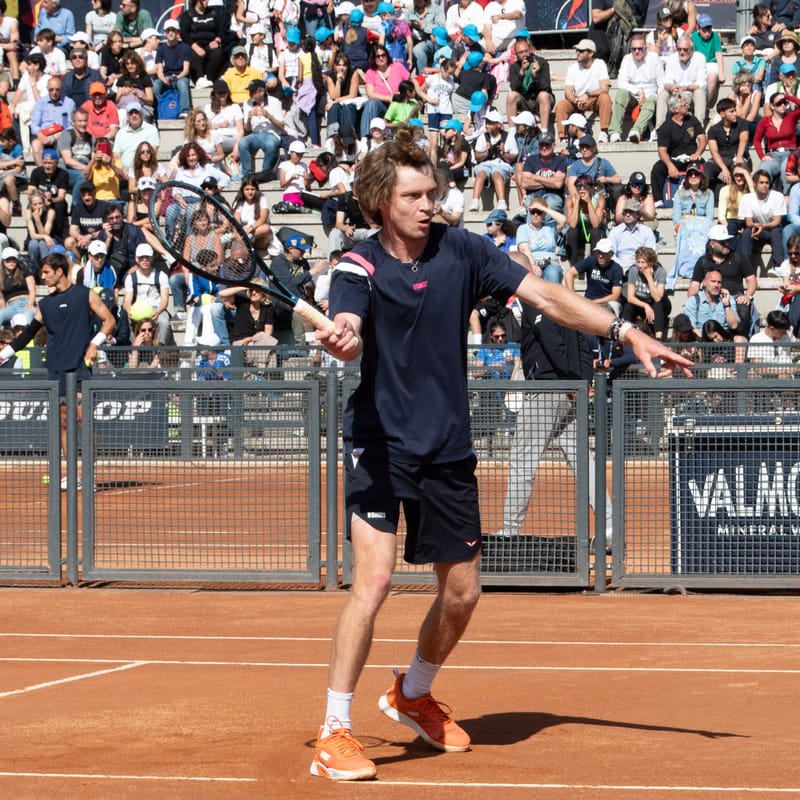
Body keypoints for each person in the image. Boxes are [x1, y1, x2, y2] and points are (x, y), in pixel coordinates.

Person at [309, 129, 690, 783]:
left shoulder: (464, 251)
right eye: (414, 195)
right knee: (371, 583)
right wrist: (343, 337)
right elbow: (350, 323)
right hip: (378, 444)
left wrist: (628, 331)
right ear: (381, 202)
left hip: (446, 448)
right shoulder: (357, 267)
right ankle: (335, 729)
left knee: (462, 594)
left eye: (432, 191)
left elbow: (546, 297)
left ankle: (412, 694)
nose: (429, 204)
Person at [495, 257, 613, 547]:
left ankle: (510, 530)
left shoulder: (536, 299)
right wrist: (581, 382)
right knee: (581, 459)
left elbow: (553, 342)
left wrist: (572, 380)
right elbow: (584, 345)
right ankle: (610, 526)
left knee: (523, 459)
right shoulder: (563, 299)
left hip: (549, 389)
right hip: (567, 390)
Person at [0, 252, 115, 490]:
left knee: (85, 420)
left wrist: (95, 344)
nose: (42, 277)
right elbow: (27, 335)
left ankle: (89, 474)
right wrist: (2, 355)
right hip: (56, 368)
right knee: (63, 422)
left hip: (80, 368)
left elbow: (109, 320)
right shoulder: (45, 304)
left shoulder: (85, 294)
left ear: (59, 271)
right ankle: (72, 473)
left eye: (46, 272)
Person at [687, 225, 756, 338]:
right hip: (710, 298)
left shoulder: (738, 258)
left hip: (735, 298)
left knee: (743, 309)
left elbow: (751, 279)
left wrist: (747, 296)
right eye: (722, 242)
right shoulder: (703, 261)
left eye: (727, 241)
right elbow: (694, 285)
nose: (726, 244)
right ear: (712, 244)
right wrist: (692, 301)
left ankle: (740, 339)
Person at [651, 92, 707, 206]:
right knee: (658, 169)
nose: (687, 105)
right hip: (675, 159)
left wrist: (697, 153)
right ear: (675, 109)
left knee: (705, 167)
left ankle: (704, 197)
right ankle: (658, 200)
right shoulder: (665, 127)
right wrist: (670, 166)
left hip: (692, 158)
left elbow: (702, 138)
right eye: (684, 104)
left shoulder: (692, 120)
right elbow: (662, 151)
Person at [554, 38, 612, 143]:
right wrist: (575, 100)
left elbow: (605, 88)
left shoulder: (600, 64)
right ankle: (563, 138)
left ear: (590, 53)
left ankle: (604, 132)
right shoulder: (572, 68)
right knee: (561, 105)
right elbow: (568, 91)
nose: (577, 53)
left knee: (605, 98)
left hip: (593, 99)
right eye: (577, 50)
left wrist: (588, 95)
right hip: (577, 101)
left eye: (581, 51)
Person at [609, 34, 659, 144]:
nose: (636, 52)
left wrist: (653, 97)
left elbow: (661, 82)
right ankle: (614, 132)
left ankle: (636, 131)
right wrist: (637, 92)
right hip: (633, 96)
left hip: (651, 96)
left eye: (640, 49)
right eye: (633, 49)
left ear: (646, 48)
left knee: (651, 101)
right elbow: (621, 82)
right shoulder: (627, 59)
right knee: (621, 94)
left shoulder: (654, 58)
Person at [219, 280, 277, 370]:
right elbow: (222, 293)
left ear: (263, 293)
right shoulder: (243, 302)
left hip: (257, 343)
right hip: (240, 344)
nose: (253, 292)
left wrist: (251, 339)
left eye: (257, 290)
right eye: (251, 290)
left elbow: (268, 333)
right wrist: (245, 286)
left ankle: (265, 378)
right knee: (267, 351)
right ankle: (263, 374)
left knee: (270, 350)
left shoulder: (268, 307)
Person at [234, 78, 286, 179]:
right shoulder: (247, 103)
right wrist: (249, 119)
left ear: (262, 92)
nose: (250, 94)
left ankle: (265, 173)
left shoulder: (274, 102)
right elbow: (247, 129)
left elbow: (281, 126)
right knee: (243, 143)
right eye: (249, 91)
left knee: (270, 144)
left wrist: (268, 116)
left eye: (253, 91)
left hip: (272, 134)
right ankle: (247, 174)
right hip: (255, 134)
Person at [122, 242, 172, 345]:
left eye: (147, 257)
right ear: (136, 259)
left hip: (156, 308)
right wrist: (128, 309)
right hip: (138, 309)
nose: (144, 260)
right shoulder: (131, 278)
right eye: (141, 257)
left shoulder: (161, 275)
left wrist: (158, 311)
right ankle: (134, 347)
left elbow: (164, 300)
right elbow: (127, 300)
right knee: (126, 319)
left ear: (152, 258)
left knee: (164, 322)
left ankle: (159, 351)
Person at [655, 36, 708, 128]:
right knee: (663, 93)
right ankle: (660, 128)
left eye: (685, 49)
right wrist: (672, 87)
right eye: (679, 49)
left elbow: (701, 84)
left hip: (691, 94)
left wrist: (685, 88)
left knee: (699, 92)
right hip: (676, 94)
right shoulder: (671, 59)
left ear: (691, 49)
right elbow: (666, 82)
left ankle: (698, 127)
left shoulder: (700, 58)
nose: (682, 52)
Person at [565, 237, 624, 316]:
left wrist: (594, 303)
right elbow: (569, 273)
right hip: (588, 300)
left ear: (611, 254)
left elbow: (615, 296)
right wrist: (572, 295)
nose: (600, 256)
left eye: (604, 253)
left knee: (611, 309)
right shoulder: (591, 260)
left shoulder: (617, 269)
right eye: (599, 252)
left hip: (608, 302)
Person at [469, 109, 513, 212]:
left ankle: (502, 201)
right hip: (485, 164)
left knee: (497, 173)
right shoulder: (483, 137)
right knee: (481, 173)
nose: (487, 125)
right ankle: (475, 201)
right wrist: (486, 152)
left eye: (490, 123)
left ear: (498, 124)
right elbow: (477, 156)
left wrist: (503, 153)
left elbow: (513, 155)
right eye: (487, 122)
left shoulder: (508, 137)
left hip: (501, 164)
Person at [622, 246, 670, 339]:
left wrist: (649, 278)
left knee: (657, 305)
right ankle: (624, 335)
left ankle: (659, 339)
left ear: (651, 263)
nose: (639, 265)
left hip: (659, 303)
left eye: (643, 262)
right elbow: (630, 297)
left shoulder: (660, 272)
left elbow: (658, 298)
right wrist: (645, 306)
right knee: (628, 306)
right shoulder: (633, 271)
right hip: (642, 303)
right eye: (638, 262)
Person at [514, 198, 566, 283]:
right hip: (530, 262)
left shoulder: (550, 227)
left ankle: (552, 295)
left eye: (539, 212)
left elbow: (563, 220)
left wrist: (544, 208)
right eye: (532, 211)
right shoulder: (523, 228)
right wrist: (533, 265)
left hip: (551, 263)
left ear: (544, 214)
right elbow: (524, 249)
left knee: (553, 273)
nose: (535, 214)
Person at [683, 267, 742, 340]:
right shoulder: (693, 301)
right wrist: (706, 340)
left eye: (719, 282)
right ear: (704, 282)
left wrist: (726, 305)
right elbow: (691, 327)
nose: (716, 285)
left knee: (740, 340)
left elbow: (734, 325)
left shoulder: (728, 299)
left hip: (723, 341)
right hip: (701, 341)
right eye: (713, 281)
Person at [506, 36, 552, 129]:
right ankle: (512, 131)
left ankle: (544, 132)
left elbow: (546, 86)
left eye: (526, 51)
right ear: (516, 54)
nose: (524, 55)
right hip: (525, 100)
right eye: (521, 52)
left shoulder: (542, 63)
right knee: (511, 96)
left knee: (543, 95)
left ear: (530, 50)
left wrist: (536, 75)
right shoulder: (515, 67)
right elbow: (514, 87)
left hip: (539, 100)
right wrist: (521, 72)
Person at [31, 76, 76, 167]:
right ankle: (42, 172)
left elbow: (71, 125)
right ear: (47, 89)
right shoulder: (41, 103)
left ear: (61, 89)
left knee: (64, 141)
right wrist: (41, 136)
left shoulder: (69, 103)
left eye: (57, 89)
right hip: (45, 134)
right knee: (36, 144)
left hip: (62, 134)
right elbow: (35, 124)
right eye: (51, 89)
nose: (54, 92)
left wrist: (59, 135)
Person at [153, 19, 192, 120]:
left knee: (182, 84)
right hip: (166, 77)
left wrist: (177, 77)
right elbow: (159, 69)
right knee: (156, 85)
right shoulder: (161, 49)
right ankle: (160, 108)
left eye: (173, 30)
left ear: (177, 32)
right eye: (168, 30)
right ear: (165, 33)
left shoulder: (185, 47)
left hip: (180, 76)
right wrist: (163, 79)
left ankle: (185, 110)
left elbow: (186, 69)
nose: (170, 33)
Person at [608, 198, 657, 275]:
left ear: (638, 214)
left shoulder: (646, 231)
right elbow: (611, 254)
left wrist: (640, 264)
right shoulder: (615, 232)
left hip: (640, 266)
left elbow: (651, 252)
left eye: (631, 212)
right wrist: (620, 267)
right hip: (620, 266)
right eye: (625, 212)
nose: (627, 215)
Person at [747, 309, 796, 376]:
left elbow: (796, 344)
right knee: (783, 376)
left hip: (789, 373)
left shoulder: (787, 335)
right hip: (767, 377)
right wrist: (783, 371)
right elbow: (758, 369)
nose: (785, 333)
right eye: (782, 332)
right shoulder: (757, 339)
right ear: (772, 328)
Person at [0, 246, 36, 327]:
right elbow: (1, 299)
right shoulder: (1, 277)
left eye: (14, 259)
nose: (11, 262)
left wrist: (30, 304)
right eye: (8, 260)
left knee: (28, 317)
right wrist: (4, 310)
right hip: (12, 306)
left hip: (27, 302)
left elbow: (32, 290)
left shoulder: (24, 271)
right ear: (3, 261)